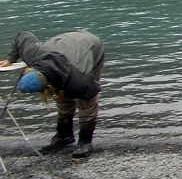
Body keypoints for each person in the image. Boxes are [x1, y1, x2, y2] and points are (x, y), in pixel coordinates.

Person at [0, 29, 104, 158]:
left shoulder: (79, 79)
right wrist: (10, 59)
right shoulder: (32, 54)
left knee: (84, 101)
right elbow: (21, 35)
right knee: (62, 96)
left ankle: (85, 142)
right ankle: (64, 135)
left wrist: (64, 93)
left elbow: (92, 93)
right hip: (64, 46)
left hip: (91, 46)